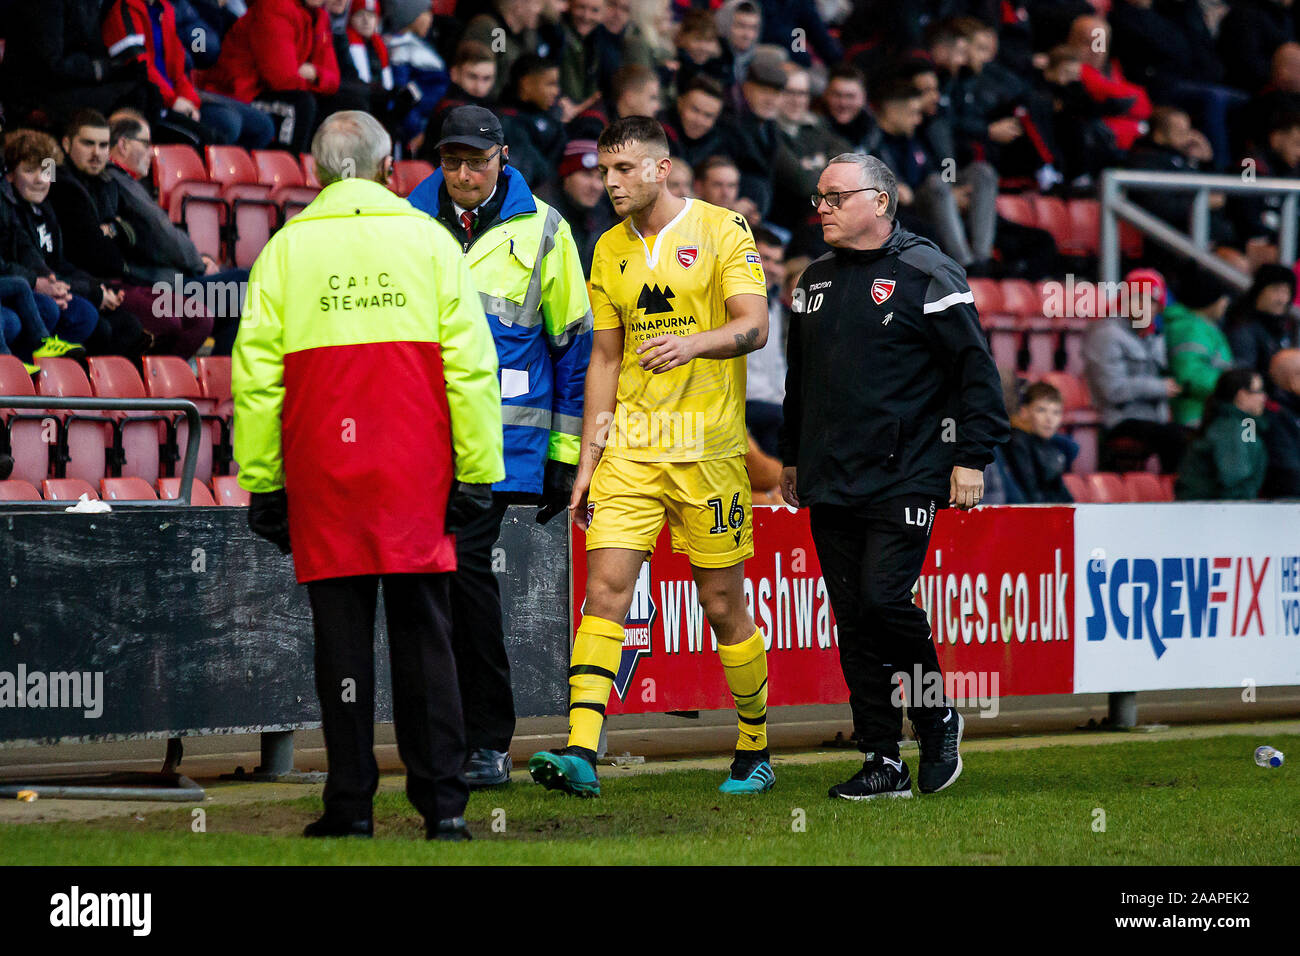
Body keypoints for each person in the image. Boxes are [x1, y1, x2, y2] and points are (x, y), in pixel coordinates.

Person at [233, 111, 504, 840]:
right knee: (427, 640)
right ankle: (444, 808)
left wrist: (263, 482)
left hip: (326, 476)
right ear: (391, 170)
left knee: (341, 645)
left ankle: (350, 806)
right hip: (417, 473)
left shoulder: (285, 252)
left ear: (320, 173)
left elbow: (257, 383)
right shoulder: (431, 241)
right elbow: (473, 369)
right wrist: (478, 472)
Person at [529, 116, 774, 797]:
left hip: (710, 452)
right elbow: (604, 358)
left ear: (662, 169)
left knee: (723, 606)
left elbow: (754, 326)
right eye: (604, 171)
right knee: (604, 593)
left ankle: (754, 745)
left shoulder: (723, 230)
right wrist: (587, 463)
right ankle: (582, 752)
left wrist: (695, 344)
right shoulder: (605, 249)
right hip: (631, 452)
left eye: (623, 169)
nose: (608, 182)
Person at [780, 153, 1009, 800]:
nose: (819, 208)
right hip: (830, 474)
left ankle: (936, 713)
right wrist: (792, 453)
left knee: (884, 600)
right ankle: (882, 758)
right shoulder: (813, 280)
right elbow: (802, 380)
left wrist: (971, 456)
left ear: (879, 202)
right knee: (853, 620)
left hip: (905, 472)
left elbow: (976, 374)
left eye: (834, 197)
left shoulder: (928, 271)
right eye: (818, 198)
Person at [407, 106, 593, 789]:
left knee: (461, 573)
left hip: (503, 444)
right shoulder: (406, 219)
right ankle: (457, 740)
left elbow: (572, 345)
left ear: (503, 157)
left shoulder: (545, 228)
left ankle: (485, 740)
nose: (462, 173)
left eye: (476, 162)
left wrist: (566, 456)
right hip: (420, 441)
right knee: (438, 583)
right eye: (451, 161)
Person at [198, 0, 341, 154]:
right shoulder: (275, 6)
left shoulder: (319, 17)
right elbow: (281, 79)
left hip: (273, 89)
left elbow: (333, 79)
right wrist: (314, 81)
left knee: (342, 102)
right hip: (241, 92)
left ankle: (320, 172)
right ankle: (286, 171)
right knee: (302, 104)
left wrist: (315, 74)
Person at [1084, 268, 1188, 472]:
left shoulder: (1155, 335)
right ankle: (1177, 496)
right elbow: (1111, 390)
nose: (1144, 307)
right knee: (1174, 437)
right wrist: (1159, 388)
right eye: (1137, 299)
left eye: (1151, 301)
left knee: (1192, 435)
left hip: (1151, 420)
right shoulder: (1106, 334)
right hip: (1118, 420)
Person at [1174, 368, 1269, 500]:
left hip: (1212, 510)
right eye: (1259, 391)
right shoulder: (1230, 427)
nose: (1264, 397)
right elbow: (1235, 482)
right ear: (1241, 395)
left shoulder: (1244, 424)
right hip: (1209, 513)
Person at [1165, 271, 1234, 428]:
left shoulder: (1203, 327)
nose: (1226, 303)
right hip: (1194, 417)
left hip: (1205, 412)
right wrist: (1230, 388)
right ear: (1209, 300)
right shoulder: (1191, 328)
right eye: (1222, 297)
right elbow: (1189, 375)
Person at [539, 139, 617, 274]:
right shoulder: (540, 214)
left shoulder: (602, 219)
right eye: (587, 175)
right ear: (566, 175)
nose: (596, 186)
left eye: (601, 178)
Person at [744, 226, 788, 459]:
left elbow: (778, 365)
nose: (772, 268)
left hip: (772, 399)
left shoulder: (777, 306)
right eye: (766, 259)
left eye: (778, 262)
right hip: (743, 401)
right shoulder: (731, 302)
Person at [1226, 263, 1298, 390]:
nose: (1282, 299)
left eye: (1287, 292)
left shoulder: (1281, 329)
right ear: (1259, 290)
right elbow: (1244, 381)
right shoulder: (1243, 330)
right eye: (1276, 290)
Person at [1004, 381, 1074, 503]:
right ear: (1024, 412)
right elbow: (1031, 494)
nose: (1049, 419)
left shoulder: (1048, 443)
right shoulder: (1017, 442)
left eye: (1056, 412)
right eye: (1041, 410)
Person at [1263, 348, 1300, 497]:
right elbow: (1288, 469)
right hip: (1284, 505)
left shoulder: (1291, 409)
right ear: (1294, 378)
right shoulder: (1275, 414)